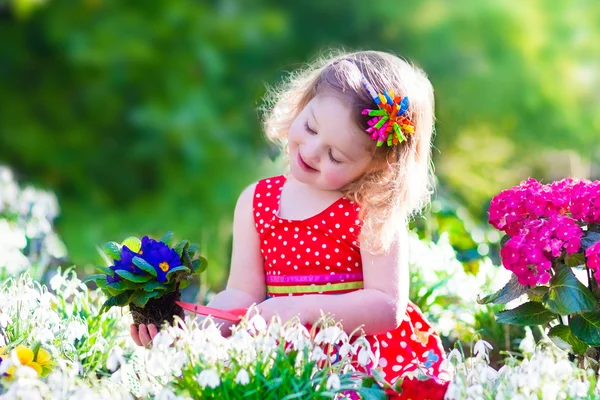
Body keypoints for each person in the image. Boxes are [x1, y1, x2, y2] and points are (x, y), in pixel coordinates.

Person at [131, 50, 447, 389]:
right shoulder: (258, 201)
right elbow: (241, 294)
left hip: (356, 363)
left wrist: (304, 309)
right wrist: (187, 332)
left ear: (377, 166)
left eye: (335, 156)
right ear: (302, 104)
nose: (311, 152)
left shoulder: (370, 210)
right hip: (279, 357)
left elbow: (386, 306)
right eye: (310, 127)